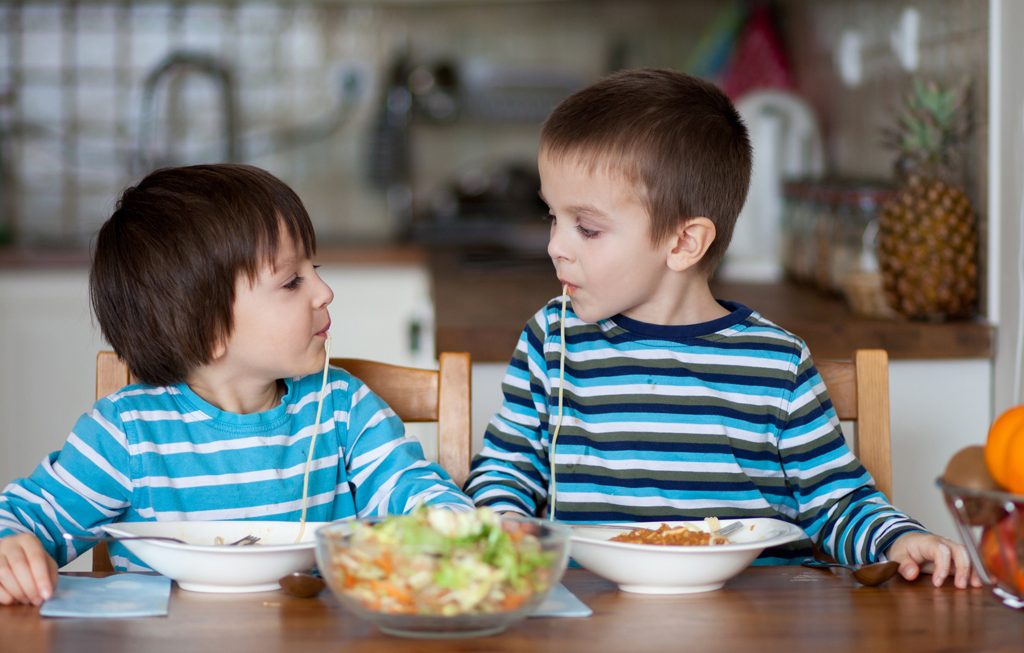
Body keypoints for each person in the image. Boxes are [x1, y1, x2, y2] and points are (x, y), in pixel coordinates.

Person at [463, 68, 978, 588]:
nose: (556, 245)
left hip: (757, 620)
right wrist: (500, 522)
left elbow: (838, 502)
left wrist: (897, 539)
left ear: (684, 243)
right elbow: (506, 469)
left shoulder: (776, 365)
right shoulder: (552, 340)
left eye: (587, 228)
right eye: (553, 216)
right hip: (591, 615)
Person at [0, 163, 472, 606]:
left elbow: (417, 491)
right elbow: (23, 520)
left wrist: (454, 529)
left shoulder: (343, 408)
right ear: (207, 328)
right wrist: (10, 552)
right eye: (292, 282)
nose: (324, 292)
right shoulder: (128, 434)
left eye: (317, 271)